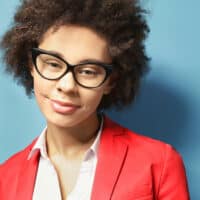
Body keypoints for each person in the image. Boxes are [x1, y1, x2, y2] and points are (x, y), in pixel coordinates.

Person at [0, 0, 190, 199]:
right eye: (53, 64)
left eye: (88, 71)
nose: (67, 86)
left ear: (110, 81)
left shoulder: (159, 164)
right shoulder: (5, 179)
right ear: (31, 65)